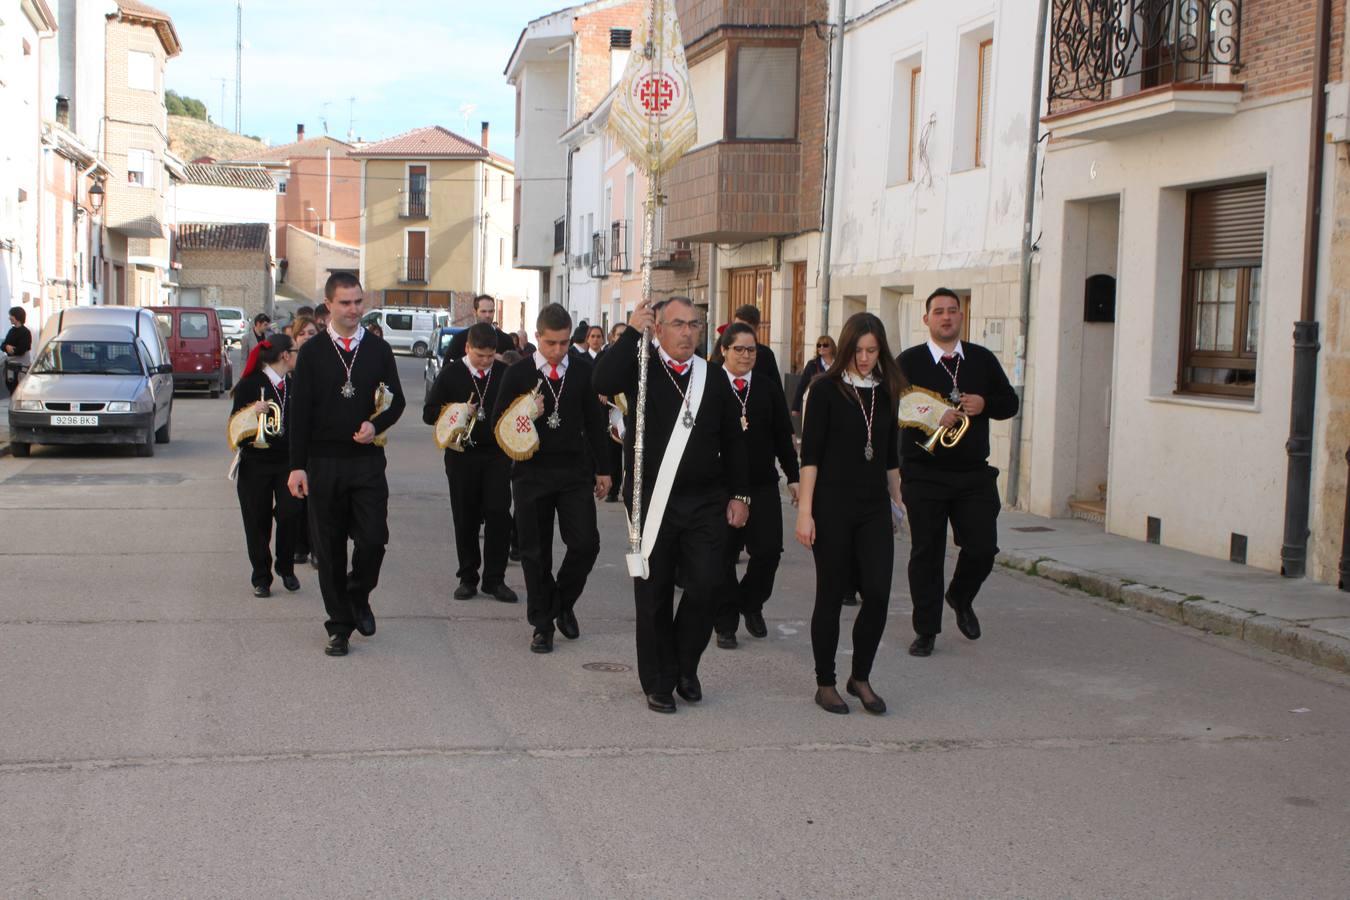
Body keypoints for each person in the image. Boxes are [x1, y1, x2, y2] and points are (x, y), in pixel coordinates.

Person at [593, 296, 750, 714]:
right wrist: (629, 332)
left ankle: (685, 665)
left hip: (704, 500)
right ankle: (659, 680)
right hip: (651, 499)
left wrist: (740, 494)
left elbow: (734, 440)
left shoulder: (712, 378)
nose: (686, 332)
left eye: (693, 325)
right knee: (654, 593)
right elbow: (600, 379)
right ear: (658, 328)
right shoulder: (640, 368)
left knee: (705, 586)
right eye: (677, 324)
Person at [287, 273, 406, 657]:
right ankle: (338, 625)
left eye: (358, 302)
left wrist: (377, 424)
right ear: (328, 306)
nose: (353, 310)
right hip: (323, 462)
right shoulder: (313, 352)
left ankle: (358, 594)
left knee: (373, 539)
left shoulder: (377, 350)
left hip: (367, 462)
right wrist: (297, 466)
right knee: (331, 548)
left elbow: (397, 401)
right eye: (345, 303)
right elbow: (299, 412)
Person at [898, 288, 1019, 658]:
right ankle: (926, 630)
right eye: (939, 312)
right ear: (927, 319)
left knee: (983, 547)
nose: (946, 317)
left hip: (972, 473)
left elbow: (1010, 403)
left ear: (962, 316)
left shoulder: (981, 359)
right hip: (923, 475)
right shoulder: (909, 361)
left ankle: (960, 596)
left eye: (953, 310)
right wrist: (935, 415)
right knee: (927, 554)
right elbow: (895, 406)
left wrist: (985, 404)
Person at [795, 312, 905, 716]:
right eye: (857, 350)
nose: (864, 358)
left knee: (877, 593)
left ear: (882, 350)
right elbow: (810, 457)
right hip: (832, 505)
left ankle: (860, 677)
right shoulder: (825, 390)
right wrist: (805, 513)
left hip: (874, 506)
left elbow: (890, 453)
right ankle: (825, 682)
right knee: (831, 594)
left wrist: (898, 499)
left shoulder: (888, 389)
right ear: (845, 348)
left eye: (872, 350)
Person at [493, 303, 611, 654]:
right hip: (531, 473)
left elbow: (595, 425)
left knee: (586, 544)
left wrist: (604, 469)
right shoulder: (518, 374)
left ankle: (561, 602)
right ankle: (542, 624)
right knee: (535, 551)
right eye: (550, 344)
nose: (558, 351)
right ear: (538, 338)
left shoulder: (584, 371)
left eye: (563, 343)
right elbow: (497, 424)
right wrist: (525, 414)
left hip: (574, 472)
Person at [713, 323, 800, 649]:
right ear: (724, 349)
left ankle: (750, 602)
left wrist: (793, 477)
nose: (747, 355)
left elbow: (782, 435)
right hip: (720, 485)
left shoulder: (766, 387)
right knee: (722, 556)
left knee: (768, 552)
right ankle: (725, 622)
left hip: (761, 482)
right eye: (739, 349)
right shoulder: (708, 383)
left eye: (752, 350)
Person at [423, 322, 518, 604]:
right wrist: (458, 412)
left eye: (490, 356)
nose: (486, 361)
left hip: (497, 456)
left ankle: (495, 579)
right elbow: (429, 413)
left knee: (499, 515)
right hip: (461, 456)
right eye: (480, 356)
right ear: (467, 348)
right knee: (465, 516)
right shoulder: (452, 373)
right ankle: (467, 576)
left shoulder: (505, 373)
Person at [230, 335, 302, 598]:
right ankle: (261, 576)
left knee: (291, 513)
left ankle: (286, 566)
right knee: (256, 520)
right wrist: (251, 413)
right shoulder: (250, 385)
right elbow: (234, 427)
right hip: (255, 463)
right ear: (285, 355)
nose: (297, 355)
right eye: (295, 350)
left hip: (288, 463)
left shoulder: (295, 384)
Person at [597, 323, 628, 503]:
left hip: (629, 409)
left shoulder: (635, 355)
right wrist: (600, 390)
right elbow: (596, 377)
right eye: (619, 334)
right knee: (613, 449)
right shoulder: (604, 356)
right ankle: (613, 488)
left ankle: (629, 487)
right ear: (612, 336)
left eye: (625, 334)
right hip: (611, 408)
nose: (622, 337)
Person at [447, 294, 515, 359]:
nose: (487, 315)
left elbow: (514, 368)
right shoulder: (460, 339)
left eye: (491, 311)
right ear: (475, 312)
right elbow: (448, 368)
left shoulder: (506, 340)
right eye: (483, 311)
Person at [732, 304, 782, 387]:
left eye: (745, 329)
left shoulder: (766, 355)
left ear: (756, 329)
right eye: (736, 327)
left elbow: (777, 392)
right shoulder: (724, 352)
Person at [792, 335, 835, 418]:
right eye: (819, 345)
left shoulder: (839, 364)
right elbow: (802, 385)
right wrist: (795, 407)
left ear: (832, 347)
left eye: (825, 345)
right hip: (817, 403)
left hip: (835, 404)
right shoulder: (812, 365)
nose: (821, 347)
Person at [3, 306, 33, 393]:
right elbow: (3, 345)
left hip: (20, 368)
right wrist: (6, 347)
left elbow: (23, 349)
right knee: (11, 390)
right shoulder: (11, 331)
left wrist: (10, 349)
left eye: (11, 315)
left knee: (19, 390)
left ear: (17, 316)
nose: (9, 318)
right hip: (11, 367)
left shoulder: (25, 332)